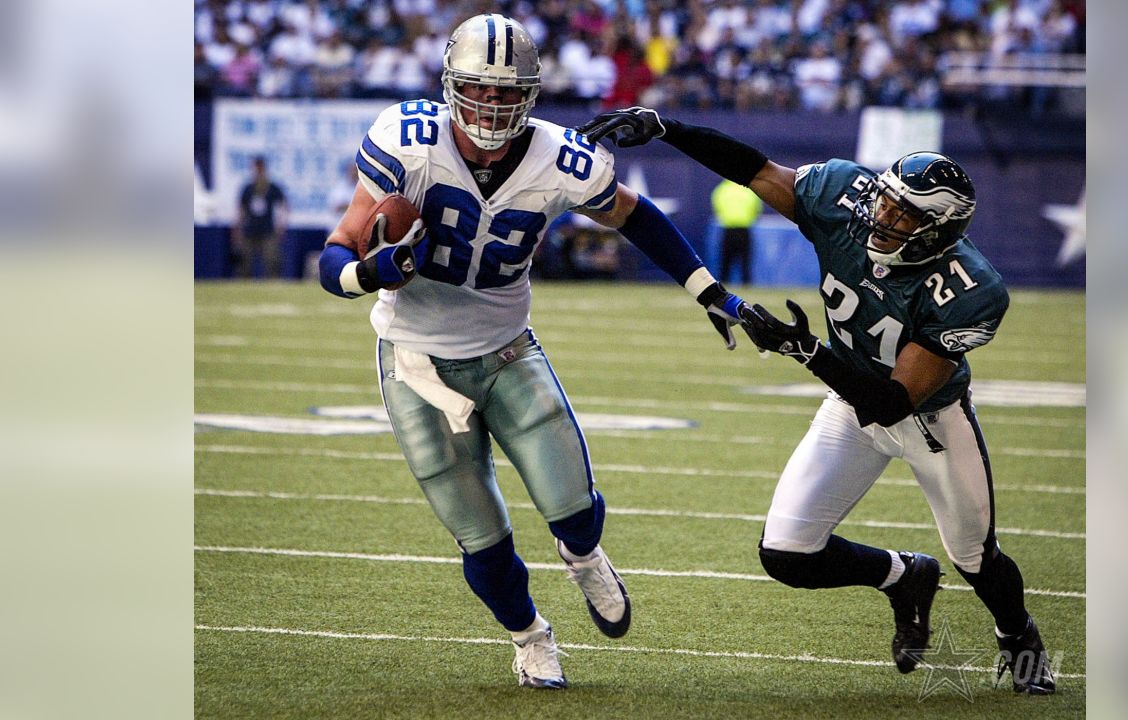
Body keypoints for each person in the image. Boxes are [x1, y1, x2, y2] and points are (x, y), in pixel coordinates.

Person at [316, 16, 747, 690]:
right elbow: (337, 252)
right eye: (479, 90)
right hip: (417, 366)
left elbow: (634, 215)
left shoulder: (561, 157)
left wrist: (707, 289)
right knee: (481, 536)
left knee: (574, 506)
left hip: (508, 349)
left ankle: (583, 556)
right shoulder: (408, 143)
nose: (492, 105)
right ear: (450, 87)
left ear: (532, 94)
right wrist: (370, 273)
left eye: (507, 92)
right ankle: (530, 637)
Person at [576, 107, 1056, 695]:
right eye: (885, 200)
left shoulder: (970, 289)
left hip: (927, 419)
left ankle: (1019, 638)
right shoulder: (843, 198)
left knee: (977, 557)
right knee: (787, 553)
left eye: (904, 214)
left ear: (938, 231)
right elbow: (754, 170)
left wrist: (807, 350)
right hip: (846, 404)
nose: (883, 217)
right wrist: (667, 128)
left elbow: (891, 403)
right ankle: (903, 576)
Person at [233, 155, 289, 278]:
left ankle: (272, 284)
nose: (258, 171)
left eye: (260, 168)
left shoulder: (272, 188)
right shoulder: (248, 188)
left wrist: (281, 225)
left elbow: (283, 206)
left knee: (271, 260)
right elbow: (241, 209)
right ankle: (244, 285)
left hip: (267, 230)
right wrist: (237, 227)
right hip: (250, 229)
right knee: (244, 262)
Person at [710, 178, 762, 285]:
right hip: (744, 230)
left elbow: (717, 208)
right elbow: (756, 210)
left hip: (728, 230)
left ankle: (722, 290)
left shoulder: (721, 190)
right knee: (745, 264)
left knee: (725, 264)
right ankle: (747, 287)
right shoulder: (749, 190)